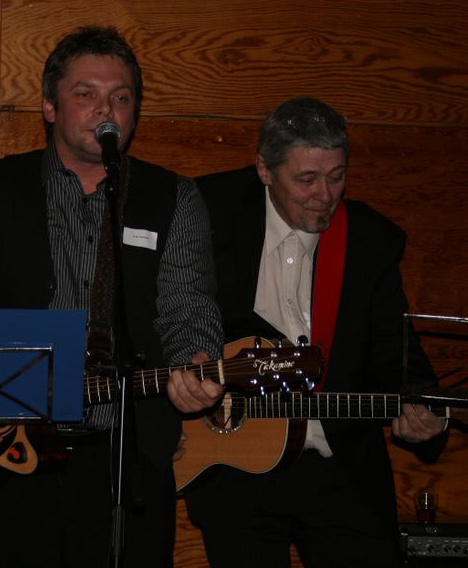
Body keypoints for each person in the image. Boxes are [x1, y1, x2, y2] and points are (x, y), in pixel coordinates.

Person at [0, 26, 223, 567]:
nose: (106, 110)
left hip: (127, 466)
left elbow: (187, 309)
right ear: (50, 107)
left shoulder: (174, 198)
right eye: (86, 93)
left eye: (121, 97)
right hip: (3, 464)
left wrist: (196, 361)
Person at [167, 97, 448, 567]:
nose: (325, 194)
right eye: (307, 179)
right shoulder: (208, 212)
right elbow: (166, 314)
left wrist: (428, 411)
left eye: (337, 176)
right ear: (264, 169)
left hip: (340, 470)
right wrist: (164, 422)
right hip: (236, 466)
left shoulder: (368, 239)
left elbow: (395, 351)